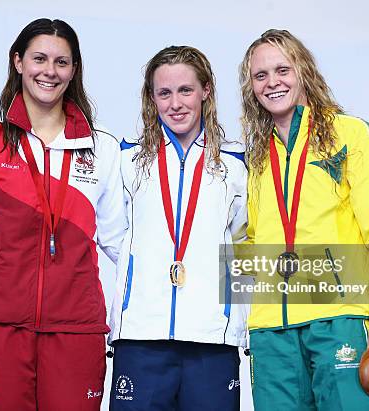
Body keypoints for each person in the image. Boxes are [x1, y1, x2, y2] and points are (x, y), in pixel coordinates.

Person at [0, 18, 126, 411]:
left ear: (74, 69)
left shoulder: (102, 146)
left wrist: (127, 326)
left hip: (76, 329)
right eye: (39, 58)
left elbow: (119, 242)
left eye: (62, 62)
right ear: (18, 62)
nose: (49, 71)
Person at [239, 29, 369, 410]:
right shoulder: (253, 157)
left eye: (282, 69)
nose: (272, 82)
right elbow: (247, 242)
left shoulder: (350, 134)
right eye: (260, 76)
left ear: (304, 70)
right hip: (271, 332)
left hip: (338, 319)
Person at [107, 46, 248, 410]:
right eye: (164, 93)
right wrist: (145, 272)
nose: (175, 103)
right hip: (140, 336)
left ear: (206, 90)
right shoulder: (127, 159)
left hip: (212, 338)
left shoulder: (236, 163)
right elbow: (112, 235)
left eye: (185, 90)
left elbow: (244, 238)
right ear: (151, 98)